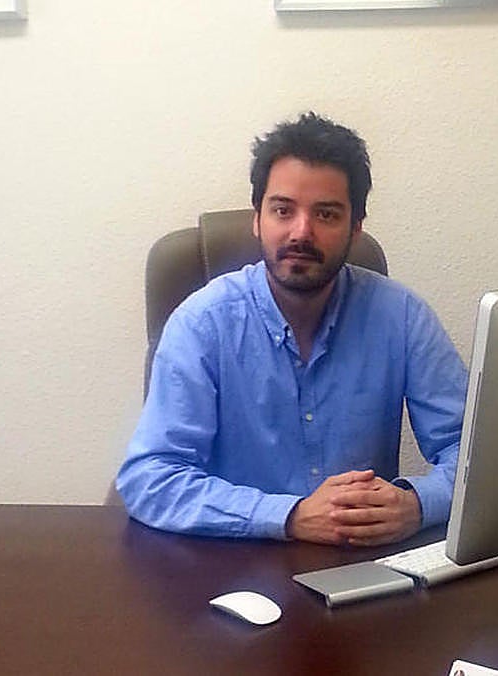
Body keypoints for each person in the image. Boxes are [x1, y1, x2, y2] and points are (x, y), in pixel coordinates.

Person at [116, 112, 467, 547]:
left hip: (361, 564)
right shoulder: (202, 324)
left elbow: (473, 453)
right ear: (257, 219)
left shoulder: (402, 316)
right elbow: (150, 479)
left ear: (355, 228)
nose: (301, 232)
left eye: (326, 214)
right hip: (233, 564)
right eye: (283, 210)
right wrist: (289, 516)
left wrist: (418, 504)